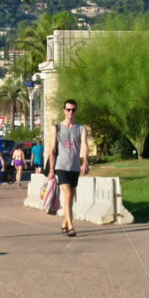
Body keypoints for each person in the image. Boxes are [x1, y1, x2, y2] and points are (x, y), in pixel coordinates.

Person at [48, 99, 89, 237]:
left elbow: (84, 145)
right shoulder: (57, 128)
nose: (71, 112)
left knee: (70, 197)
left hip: (75, 167)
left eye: (73, 110)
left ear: (76, 111)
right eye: (68, 109)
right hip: (61, 166)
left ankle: (65, 223)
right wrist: (51, 170)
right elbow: (52, 150)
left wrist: (85, 161)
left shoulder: (81, 128)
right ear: (64, 110)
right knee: (68, 194)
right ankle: (71, 227)